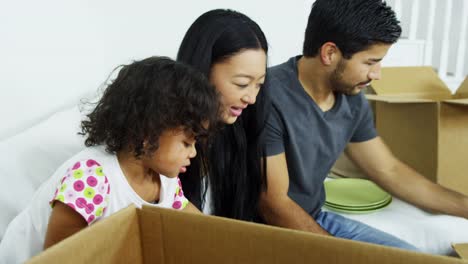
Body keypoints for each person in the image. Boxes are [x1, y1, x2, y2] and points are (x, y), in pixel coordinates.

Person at [259, 0, 468, 252]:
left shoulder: (352, 99)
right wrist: (339, 254)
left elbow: (389, 170)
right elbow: (274, 204)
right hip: (264, 228)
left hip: (314, 217)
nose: (376, 74)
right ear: (329, 53)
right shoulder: (268, 97)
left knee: (411, 258)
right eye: (370, 62)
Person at [0, 56, 220, 262]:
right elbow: (58, 256)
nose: (193, 153)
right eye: (186, 143)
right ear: (147, 134)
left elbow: (200, 227)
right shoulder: (93, 178)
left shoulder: (163, 181)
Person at [177, 9, 269, 220]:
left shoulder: (240, 130)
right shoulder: (164, 139)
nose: (251, 98)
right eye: (242, 84)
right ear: (202, 71)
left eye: (259, 84)